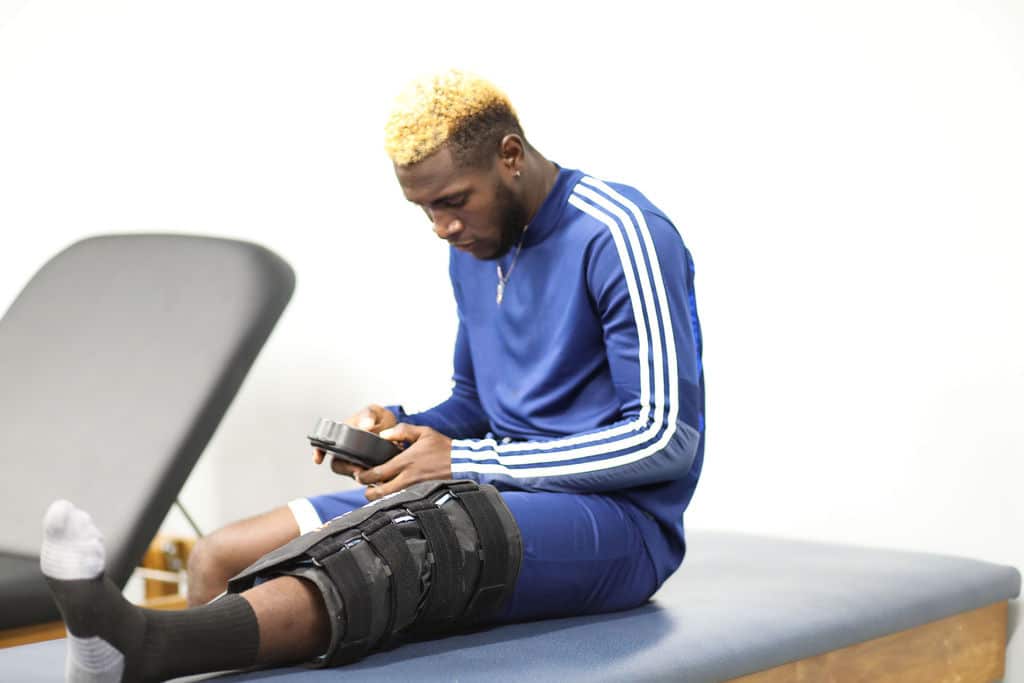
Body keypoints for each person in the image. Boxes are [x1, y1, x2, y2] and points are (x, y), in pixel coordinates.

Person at [42, 69, 705, 683]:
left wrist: (463, 459)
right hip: (502, 491)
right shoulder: (474, 248)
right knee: (220, 554)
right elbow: (475, 403)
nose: (443, 226)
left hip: (620, 524)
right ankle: (129, 653)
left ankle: (143, 651)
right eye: (425, 210)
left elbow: (664, 436)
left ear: (510, 156)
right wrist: (399, 432)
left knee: (385, 554)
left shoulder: (619, 233)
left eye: (454, 201)